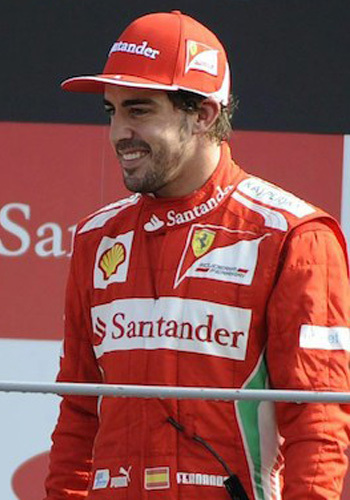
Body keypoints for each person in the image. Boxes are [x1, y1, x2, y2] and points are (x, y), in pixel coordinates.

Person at [45, 11, 350, 500]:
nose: (118, 132)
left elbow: (318, 417)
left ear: (204, 114)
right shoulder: (96, 238)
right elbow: (79, 414)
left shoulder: (292, 235)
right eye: (112, 111)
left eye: (139, 111)